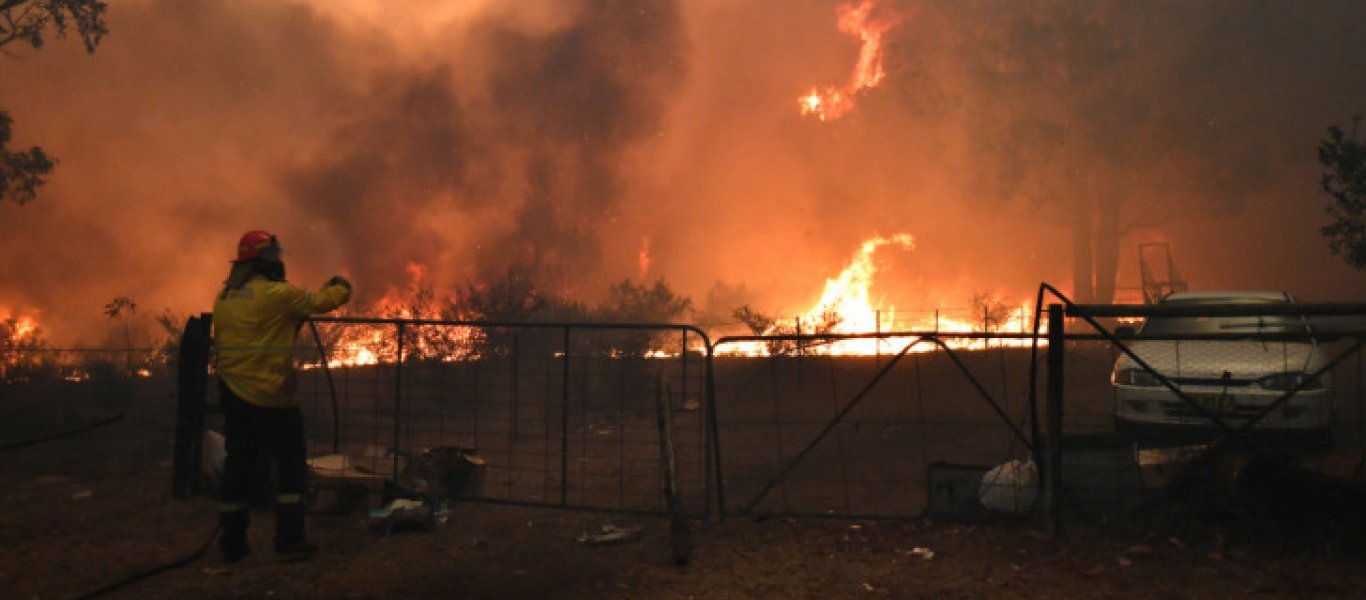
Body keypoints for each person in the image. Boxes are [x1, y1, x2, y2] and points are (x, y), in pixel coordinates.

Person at [212, 230, 352, 562]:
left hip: (233, 393)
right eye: (272, 255)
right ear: (260, 261)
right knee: (291, 465)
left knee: (238, 465)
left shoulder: (225, 296)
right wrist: (342, 286)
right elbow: (321, 302)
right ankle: (289, 538)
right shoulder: (277, 294)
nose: (278, 261)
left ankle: (232, 543)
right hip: (271, 396)